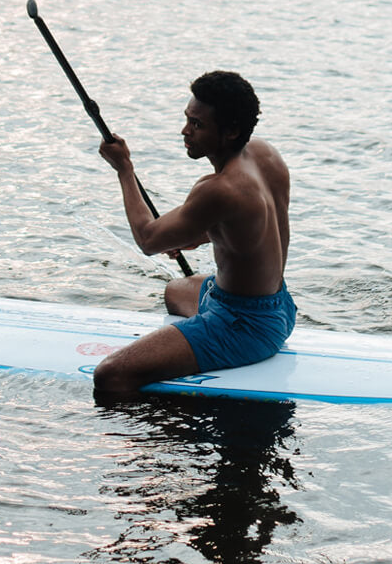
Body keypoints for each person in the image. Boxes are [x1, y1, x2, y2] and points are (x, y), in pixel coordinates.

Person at [93, 70, 294, 395]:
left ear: (230, 132)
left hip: (244, 327)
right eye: (188, 119)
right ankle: (189, 344)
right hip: (280, 307)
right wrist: (199, 236)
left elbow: (148, 239)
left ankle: (183, 440)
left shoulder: (220, 189)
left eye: (197, 125)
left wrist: (125, 170)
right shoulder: (264, 154)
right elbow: (252, 227)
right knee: (175, 290)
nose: (185, 131)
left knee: (110, 375)